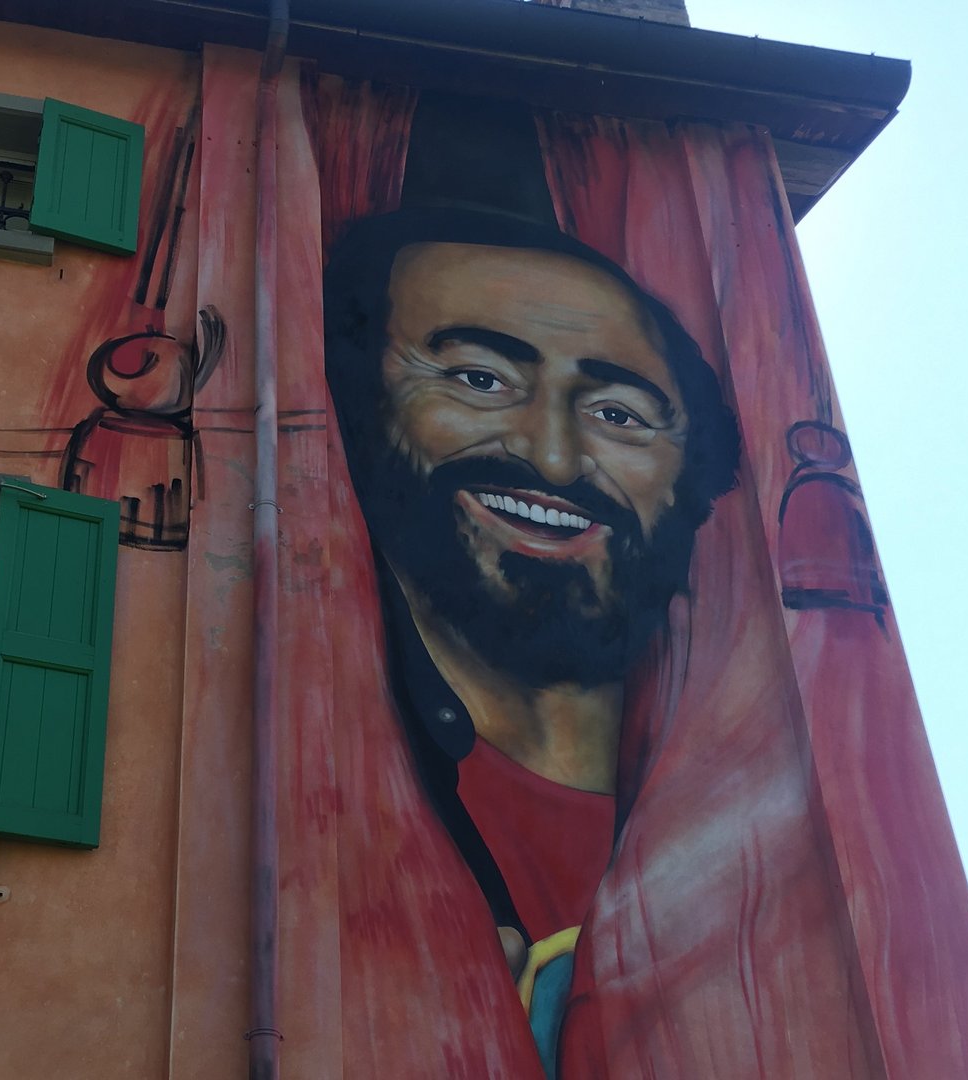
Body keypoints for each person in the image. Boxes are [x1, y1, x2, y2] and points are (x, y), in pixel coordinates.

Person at [322, 205, 741, 1068]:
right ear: (359, 408)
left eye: (620, 414)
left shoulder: (751, 832)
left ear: (688, 479)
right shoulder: (305, 795)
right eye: (479, 379)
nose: (552, 458)